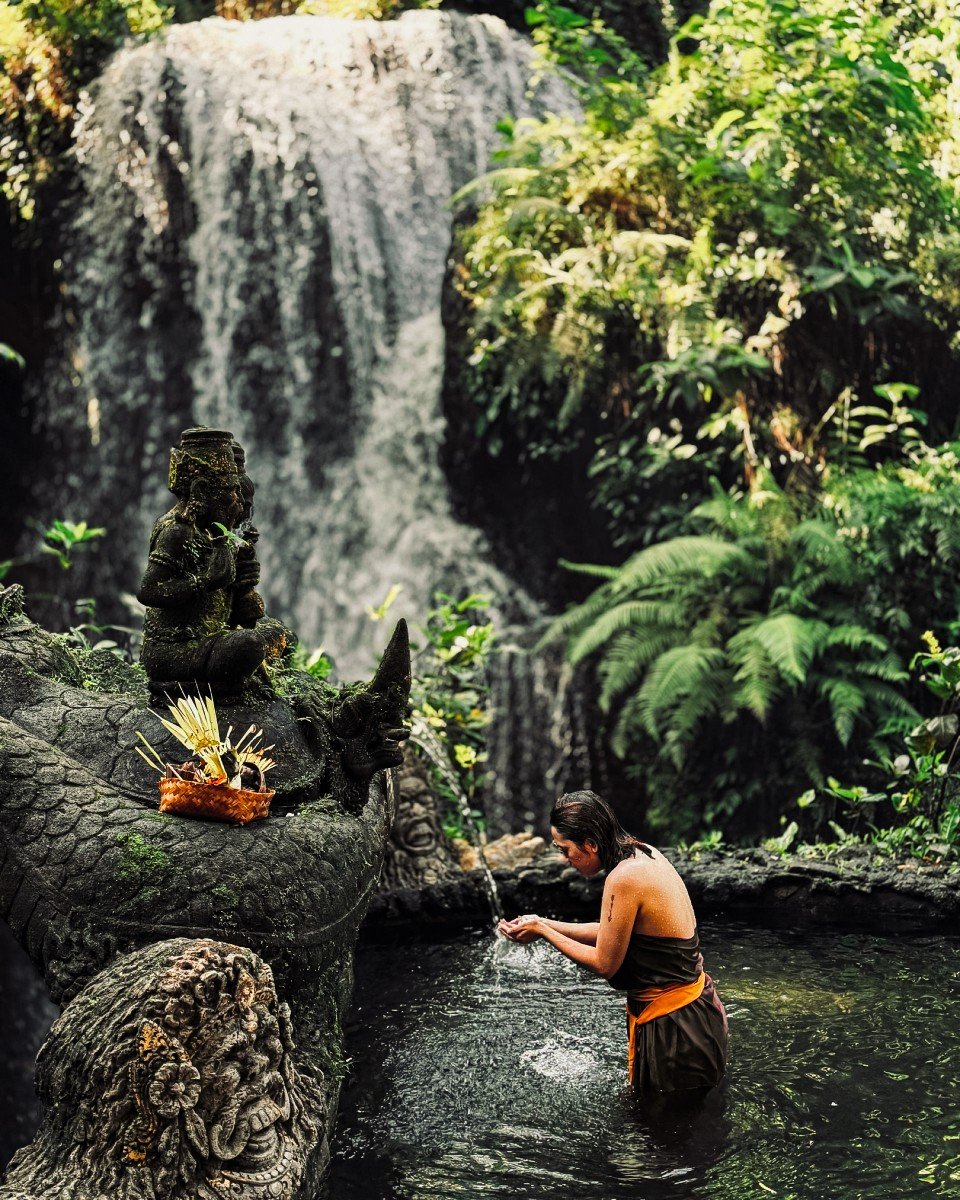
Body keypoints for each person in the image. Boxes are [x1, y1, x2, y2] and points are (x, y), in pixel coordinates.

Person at [498, 790, 728, 1094]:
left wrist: (543, 931)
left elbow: (605, 963)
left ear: (591, 844)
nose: (565, 859)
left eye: (565, 849)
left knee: (666, 1133)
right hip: (695, 1016)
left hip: (676, 1030)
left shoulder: (623, 878)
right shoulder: (644, 852)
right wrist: (543, 922)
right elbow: (613, 932)